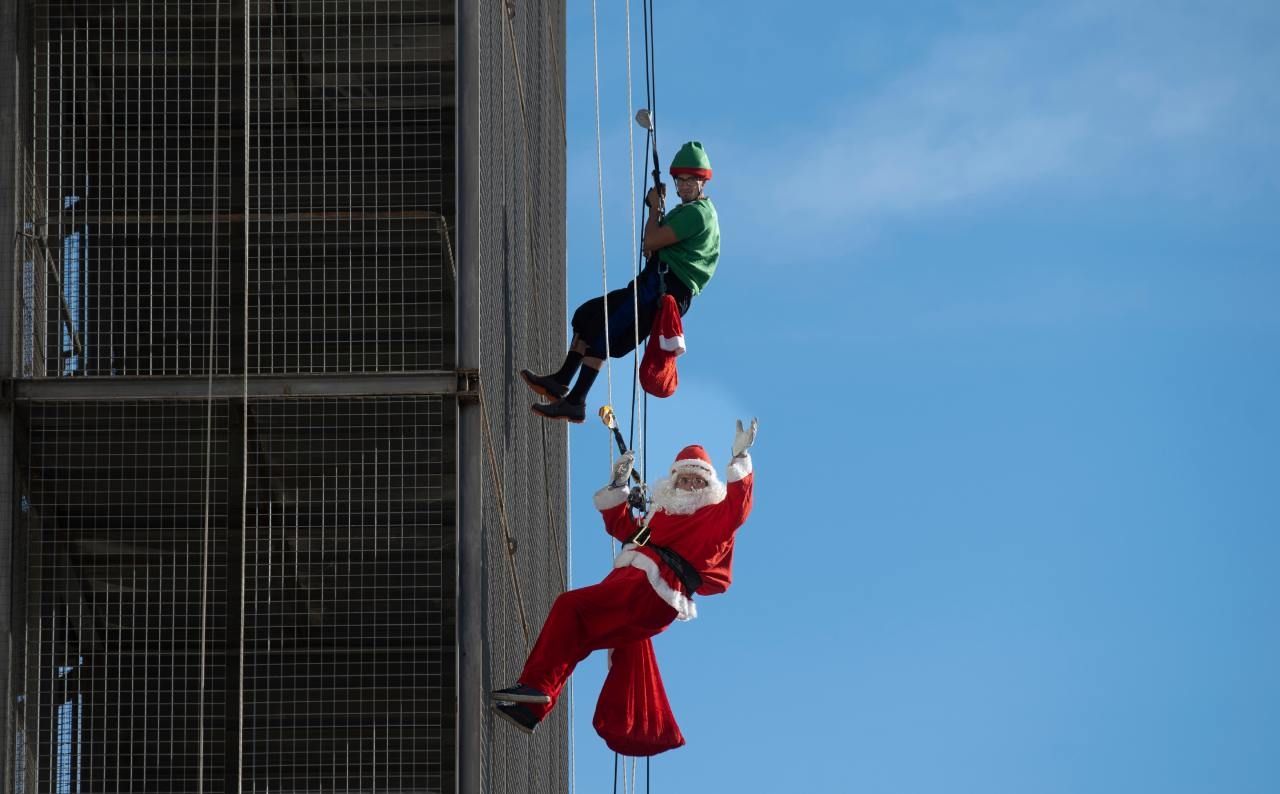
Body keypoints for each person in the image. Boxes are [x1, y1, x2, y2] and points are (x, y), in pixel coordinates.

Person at [490, 418, 758, 733]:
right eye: (684, 479)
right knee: (575, 633)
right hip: (634, 587)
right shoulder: (661, 517)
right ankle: (530, 709)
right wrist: (619, 487)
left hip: (651, 590)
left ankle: (535, 688)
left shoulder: (711, 519)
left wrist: (739, 459)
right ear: (672, 482)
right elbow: (623, 529)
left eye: (697, 481)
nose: (689, 485)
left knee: (570, 607)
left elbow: (737, 508)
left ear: (709, 486)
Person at [522, 141, 721, 423]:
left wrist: (654, 209)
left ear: (703, 182)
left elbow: (651, 241)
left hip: (662, 289)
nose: (686, 185)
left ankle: (576, 401)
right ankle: (562, 380)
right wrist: (658, 219)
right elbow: (651, 248)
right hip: (654, 282)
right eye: (682, 180)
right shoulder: (689, 212)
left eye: (692, 180)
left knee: (607, 330)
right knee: (588, 316)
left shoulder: (696, 214)